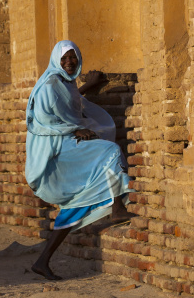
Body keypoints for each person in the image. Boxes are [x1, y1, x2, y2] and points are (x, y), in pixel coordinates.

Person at [25, 40, 132, 281]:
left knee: (77, 201)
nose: (69, 62)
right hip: (55, 150)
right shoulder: (49, 84)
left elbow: (65, 104)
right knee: (111, 152)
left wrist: (87, 86)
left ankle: (42, 261)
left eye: (72, 58)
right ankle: (117, 208)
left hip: (63, 144)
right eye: (64, 59)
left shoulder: (65, 82)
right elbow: (43, 119)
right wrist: (75, 130)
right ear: (56, 60)